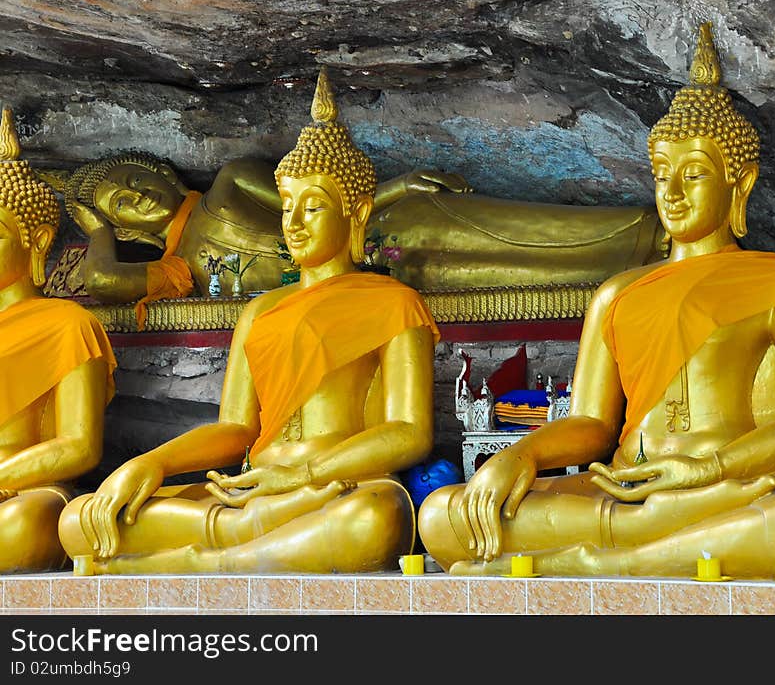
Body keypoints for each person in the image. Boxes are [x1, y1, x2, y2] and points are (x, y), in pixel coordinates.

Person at [417, 23, 775, 581]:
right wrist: (519, 456)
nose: (671, 191)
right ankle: (643, 545)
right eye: (662, 173)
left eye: (694, 174)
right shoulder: (618, 293)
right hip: (622, 491)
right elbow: (593, 423)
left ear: (739, 185)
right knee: (442, 516)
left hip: (723, 486)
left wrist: (707, 468)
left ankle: (591, 562)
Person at [57, 68, 440, 574]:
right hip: (249, 491)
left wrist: (305, 472)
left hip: (332, 489)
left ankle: (200, 562)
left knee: (376, 518)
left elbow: (411, 433)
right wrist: (151, 462)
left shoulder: (394, 301)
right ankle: (234, 550)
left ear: (358, 212)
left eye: (314, 207)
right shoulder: (261, 310)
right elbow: (236, 427)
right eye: (286, 207)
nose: (294, 223)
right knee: (78, 521)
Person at [63, 139, 470, 329]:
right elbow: (102, 280)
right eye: (121, 205)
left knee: (522, 235)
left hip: (393, 229)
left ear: (164, 173)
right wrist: (99, 232)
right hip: (381, 282)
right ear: (126, 230)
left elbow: (317, 202)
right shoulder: (178, 269)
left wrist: (400, 186)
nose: (138, 195)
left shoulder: (231, 179)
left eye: (135, 179)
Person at [0, 106, 116, 573]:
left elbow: (81, 445)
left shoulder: (67, 323)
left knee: (27, 525)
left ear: (39, 241)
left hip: (24, 491)